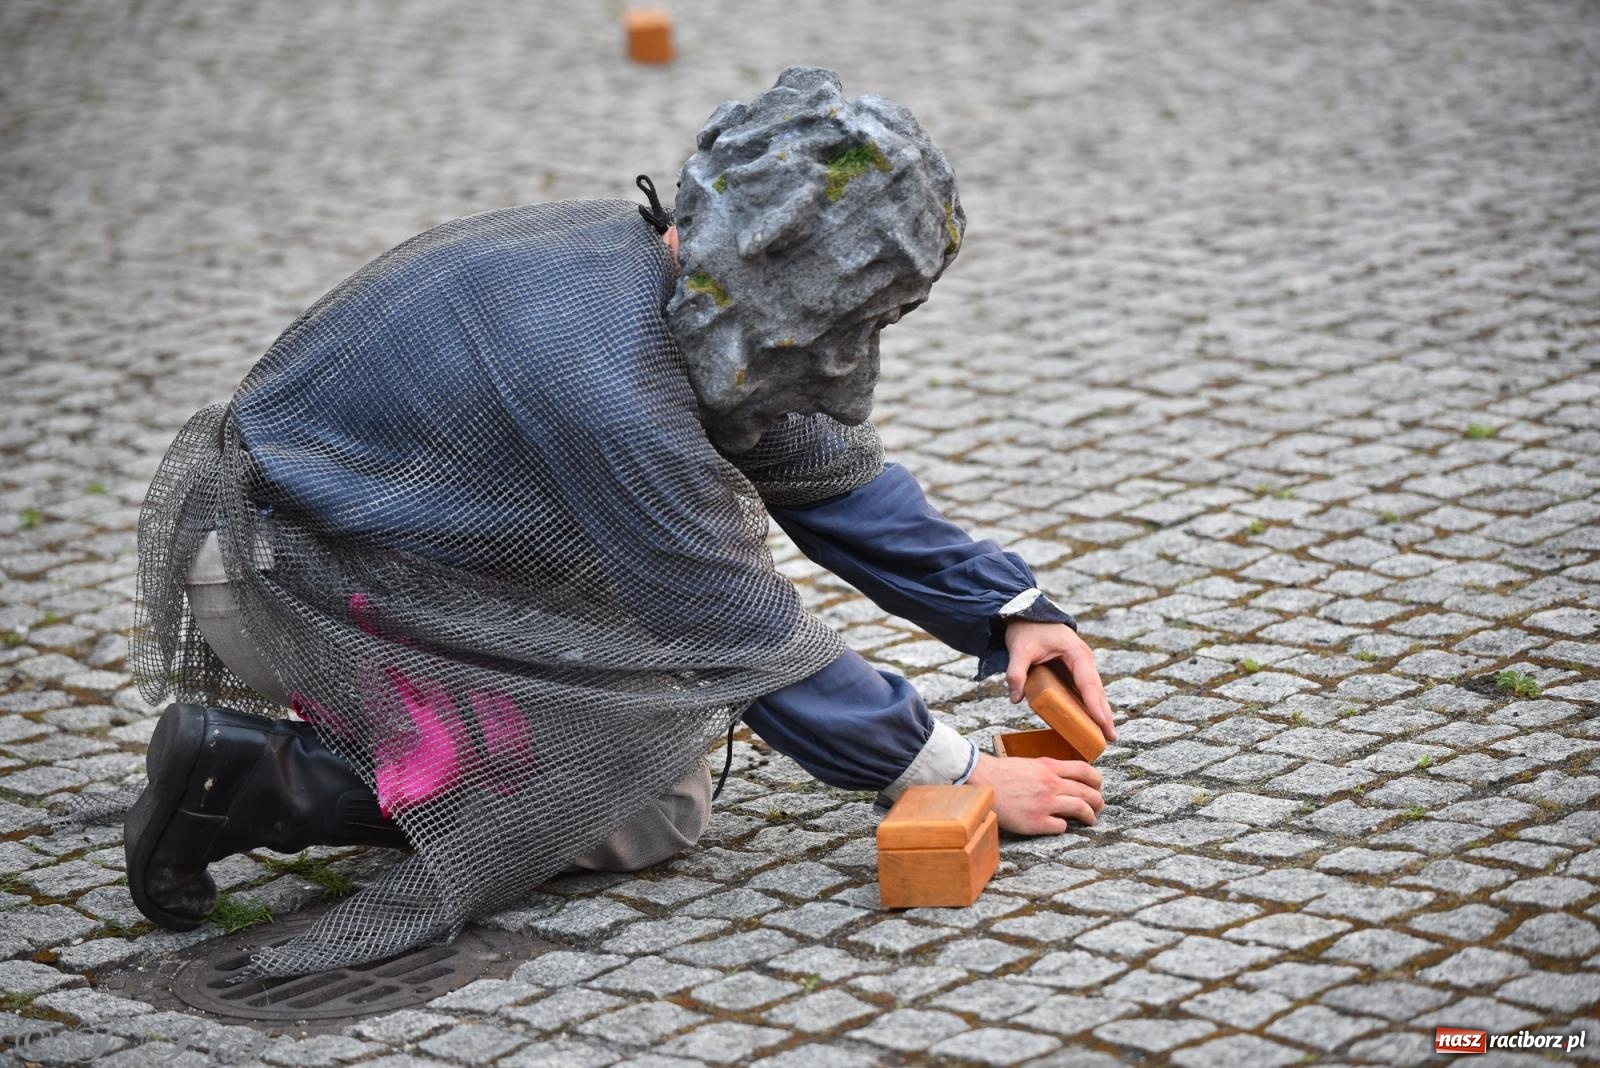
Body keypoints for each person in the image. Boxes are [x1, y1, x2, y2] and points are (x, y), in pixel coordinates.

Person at [125, 66, 1115, 977]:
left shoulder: (667, 275)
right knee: (648, 807)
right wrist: (956, 771)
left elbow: (823, 477)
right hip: (293, 581)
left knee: (642, 728)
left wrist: (1007, 610)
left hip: (371, 547)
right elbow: (734, 630)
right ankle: (253, 780)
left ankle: (399, 747)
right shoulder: (612, 391)